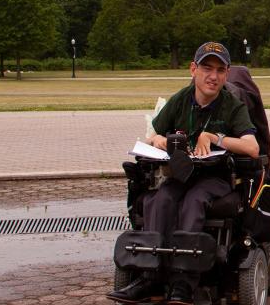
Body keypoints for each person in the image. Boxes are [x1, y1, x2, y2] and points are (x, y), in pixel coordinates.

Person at [106, 42, 259, 305]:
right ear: (193, 69)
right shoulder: (181, 100)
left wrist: (215, 138)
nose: (213, 76)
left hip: (216, 178)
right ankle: (149, 276)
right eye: (207, 68)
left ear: (227, 74)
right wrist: (160, 142)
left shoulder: (232, 105)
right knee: (159, 199)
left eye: (220, 70)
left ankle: (183, 282)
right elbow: (153, 134)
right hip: (180, 174)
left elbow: (252, 147)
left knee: (193, 202)